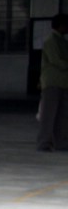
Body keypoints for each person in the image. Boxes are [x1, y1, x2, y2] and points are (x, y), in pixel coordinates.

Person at [36, 12, 68, 151]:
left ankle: (60, 142)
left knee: (62, 115)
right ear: (61, 25)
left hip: (63, 82)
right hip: (52, 82)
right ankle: (44, 142)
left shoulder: (62, 41)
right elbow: (57, 60)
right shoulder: (51, 41)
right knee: (48, 115)